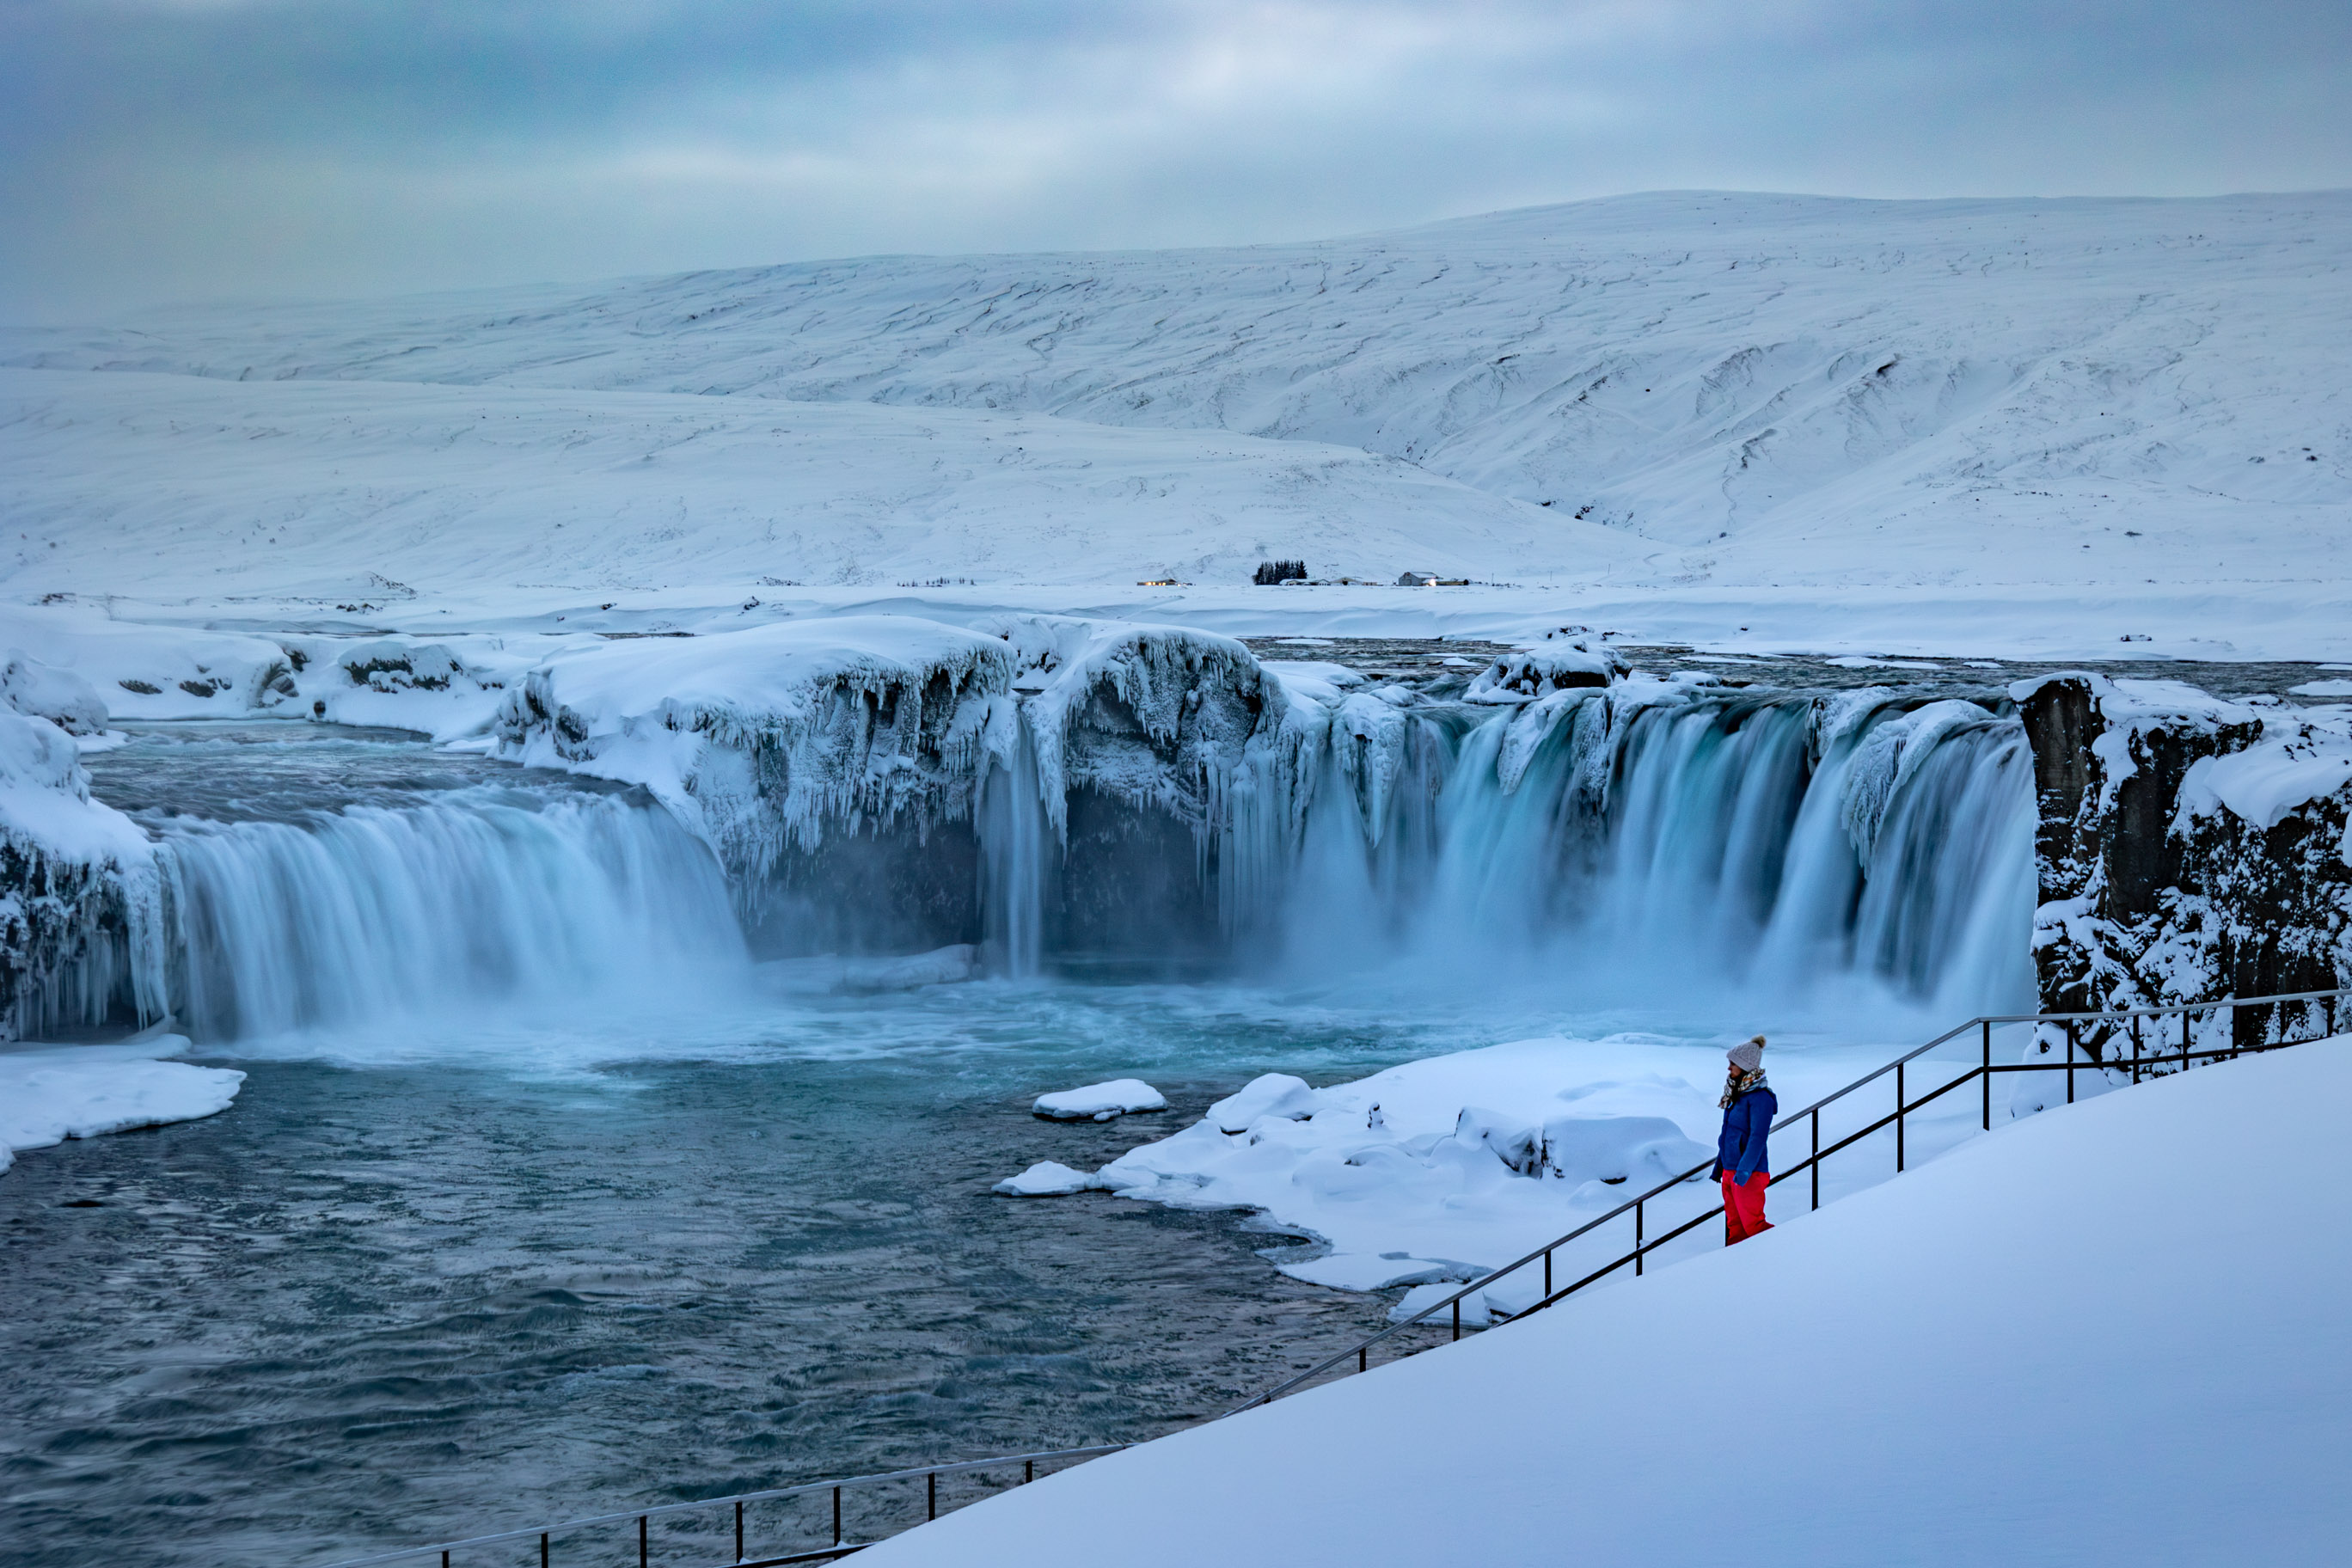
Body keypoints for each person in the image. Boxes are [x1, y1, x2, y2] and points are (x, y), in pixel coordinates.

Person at [1713, 1036, 1776, 1245]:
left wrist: (1744, 1172)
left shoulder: (1761, 1098)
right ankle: (1737, 1271)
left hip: (1749, 1173)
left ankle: (1781, 1252)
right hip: (1730, 1172)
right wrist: (1719, 1168)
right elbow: (1727, 1134)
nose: (1729, 1068)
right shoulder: (1735, 1094)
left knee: (1754, 1226)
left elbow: (1758, 1138)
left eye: (1733, 1064)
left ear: (1745, 1066)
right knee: (1736, 1229)